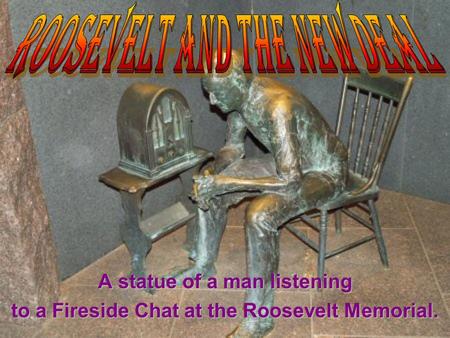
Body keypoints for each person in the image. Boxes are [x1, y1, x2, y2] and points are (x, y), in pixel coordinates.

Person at [176, 51, 348, 338]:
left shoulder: (276, 107)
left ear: (237, 83)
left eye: (217, 94)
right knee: (212, 182)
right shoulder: (240, 99)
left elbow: (291, 182)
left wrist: (225, 183)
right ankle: (204, 263)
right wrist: (215, 174)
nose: (213, 103)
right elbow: (233, 147)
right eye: (210, 95)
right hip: (288, 161)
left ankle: (260, 318)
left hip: (324, 171)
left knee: (259, 215)